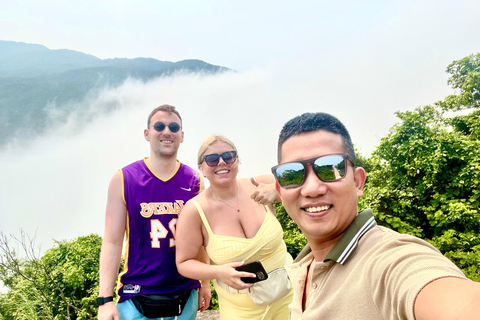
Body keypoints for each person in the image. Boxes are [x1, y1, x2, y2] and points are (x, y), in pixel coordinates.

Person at [271, 112, 480, 320]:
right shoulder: (303, 265)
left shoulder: (390, 260)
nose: (312, 189)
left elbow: (457, 302)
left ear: (357, 181)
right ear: (280, 191)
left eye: (329, 168)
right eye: (292, 174)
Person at [98, 105, 211, 320]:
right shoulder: (124, 179)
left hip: (186, 295)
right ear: (147, 134)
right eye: (159, 126)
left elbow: (201, 238)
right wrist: (105, 299)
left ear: (182, 136)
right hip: (137, 296)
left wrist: (205, 283)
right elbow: (112, 241)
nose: (167, 131)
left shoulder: (194, 180)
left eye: (174, 127)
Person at [176, 134, 293, 320]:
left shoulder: (259, 184)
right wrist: (218, 272)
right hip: (240, 310)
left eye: (228, 156)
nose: (221, 162)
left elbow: (305, 186)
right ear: (202, 168)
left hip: (290, 296)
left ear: (237, 160)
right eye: (212, 159)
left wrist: (278, 190)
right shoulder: (194, 211)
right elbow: (183, 263)